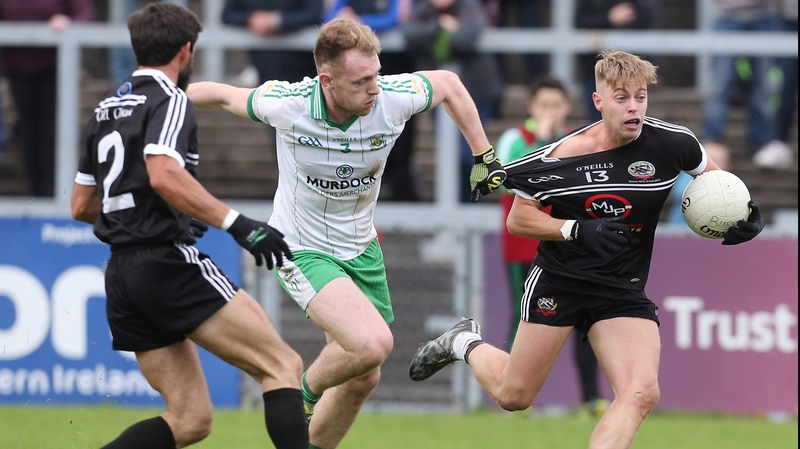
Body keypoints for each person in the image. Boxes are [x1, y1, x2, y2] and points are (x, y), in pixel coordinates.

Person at [409, 50, 765, 449]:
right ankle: (462, 342)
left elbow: (717, 183)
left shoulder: (674, 143)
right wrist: (575, 229)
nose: (634, 107)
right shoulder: (561, 158)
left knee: (640, 393)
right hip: (560, 282)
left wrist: (745, 213)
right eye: (621, 98)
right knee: (514, 396)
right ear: (598, 102)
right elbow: (518, 220)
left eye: (640, 97)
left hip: (620, 287)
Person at [186, 18, 505, 449]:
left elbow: (448, 83)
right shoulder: (288, 104)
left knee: (362, 378)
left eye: (376, 75)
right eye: (361, 81)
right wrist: (161, 101)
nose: (374, 88)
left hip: (361, 247)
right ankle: (296, 398)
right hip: (301, 247)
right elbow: (222, 96)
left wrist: (483, 154)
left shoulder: (390, 99)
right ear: (327, 81)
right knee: (372, 344)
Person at [70, 4, 308, 448]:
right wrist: (236, 223)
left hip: (122, 272)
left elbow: (82, 205)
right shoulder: (172, 99)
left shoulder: (105, 109)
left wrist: (161, 213)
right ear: (186, 50)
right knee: (282, 365)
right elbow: (162, 173)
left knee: (190, 418)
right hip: (165, 262)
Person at [495, 75, 608, 417]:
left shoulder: (579, 141)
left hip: (569, 249)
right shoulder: (515, 139)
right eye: (544, 105)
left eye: (556, 105)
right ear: (531, 107)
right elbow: (505, 184)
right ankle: (509, 391)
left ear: (567, 107)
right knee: (523, 315)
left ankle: (591, 398)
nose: (550, 111)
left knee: (585, 320)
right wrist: (544, 140)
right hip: (523, 247)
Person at [323, 0, 426, 201]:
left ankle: (408, 210)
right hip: (356, 88)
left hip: (396, 81)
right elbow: (328, 19)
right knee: (357, 153)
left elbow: (398, 18)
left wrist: (355, 24)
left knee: (399, 152)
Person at [404, 0, 504, 202]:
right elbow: (410, 35)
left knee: (467, 155)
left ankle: (469, 207)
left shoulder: (470, 6)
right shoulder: (424, 10)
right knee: (451, 157)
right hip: (439, 99)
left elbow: (465, 39)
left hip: (476, 95)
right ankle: (461, 207)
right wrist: (441, 26)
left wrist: (437, 37)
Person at [0, 0, 96, 197]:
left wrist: (69, 23)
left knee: (52, 132)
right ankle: (35, 193)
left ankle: (52, 193)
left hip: (56, 69)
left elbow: (86, 14)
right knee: (27, 132)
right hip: (18, 68)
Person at [701, 0, 793, 169]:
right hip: (727, 15)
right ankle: (713, 138)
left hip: (765, 16)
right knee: (720, 83)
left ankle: (762, 140)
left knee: (764, 85)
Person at [575, 0, 656, 123]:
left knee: (634, 123)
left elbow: (649, 16)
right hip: (596, 70)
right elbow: (579, 21)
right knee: (601, 123)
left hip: (634, 70)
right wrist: (608, 18)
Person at [222, 0, 323, 84]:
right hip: (262, 64)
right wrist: (252, 19)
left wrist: (277, 21)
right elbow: (227, 14)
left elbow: (314, 13)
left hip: (303, 66)